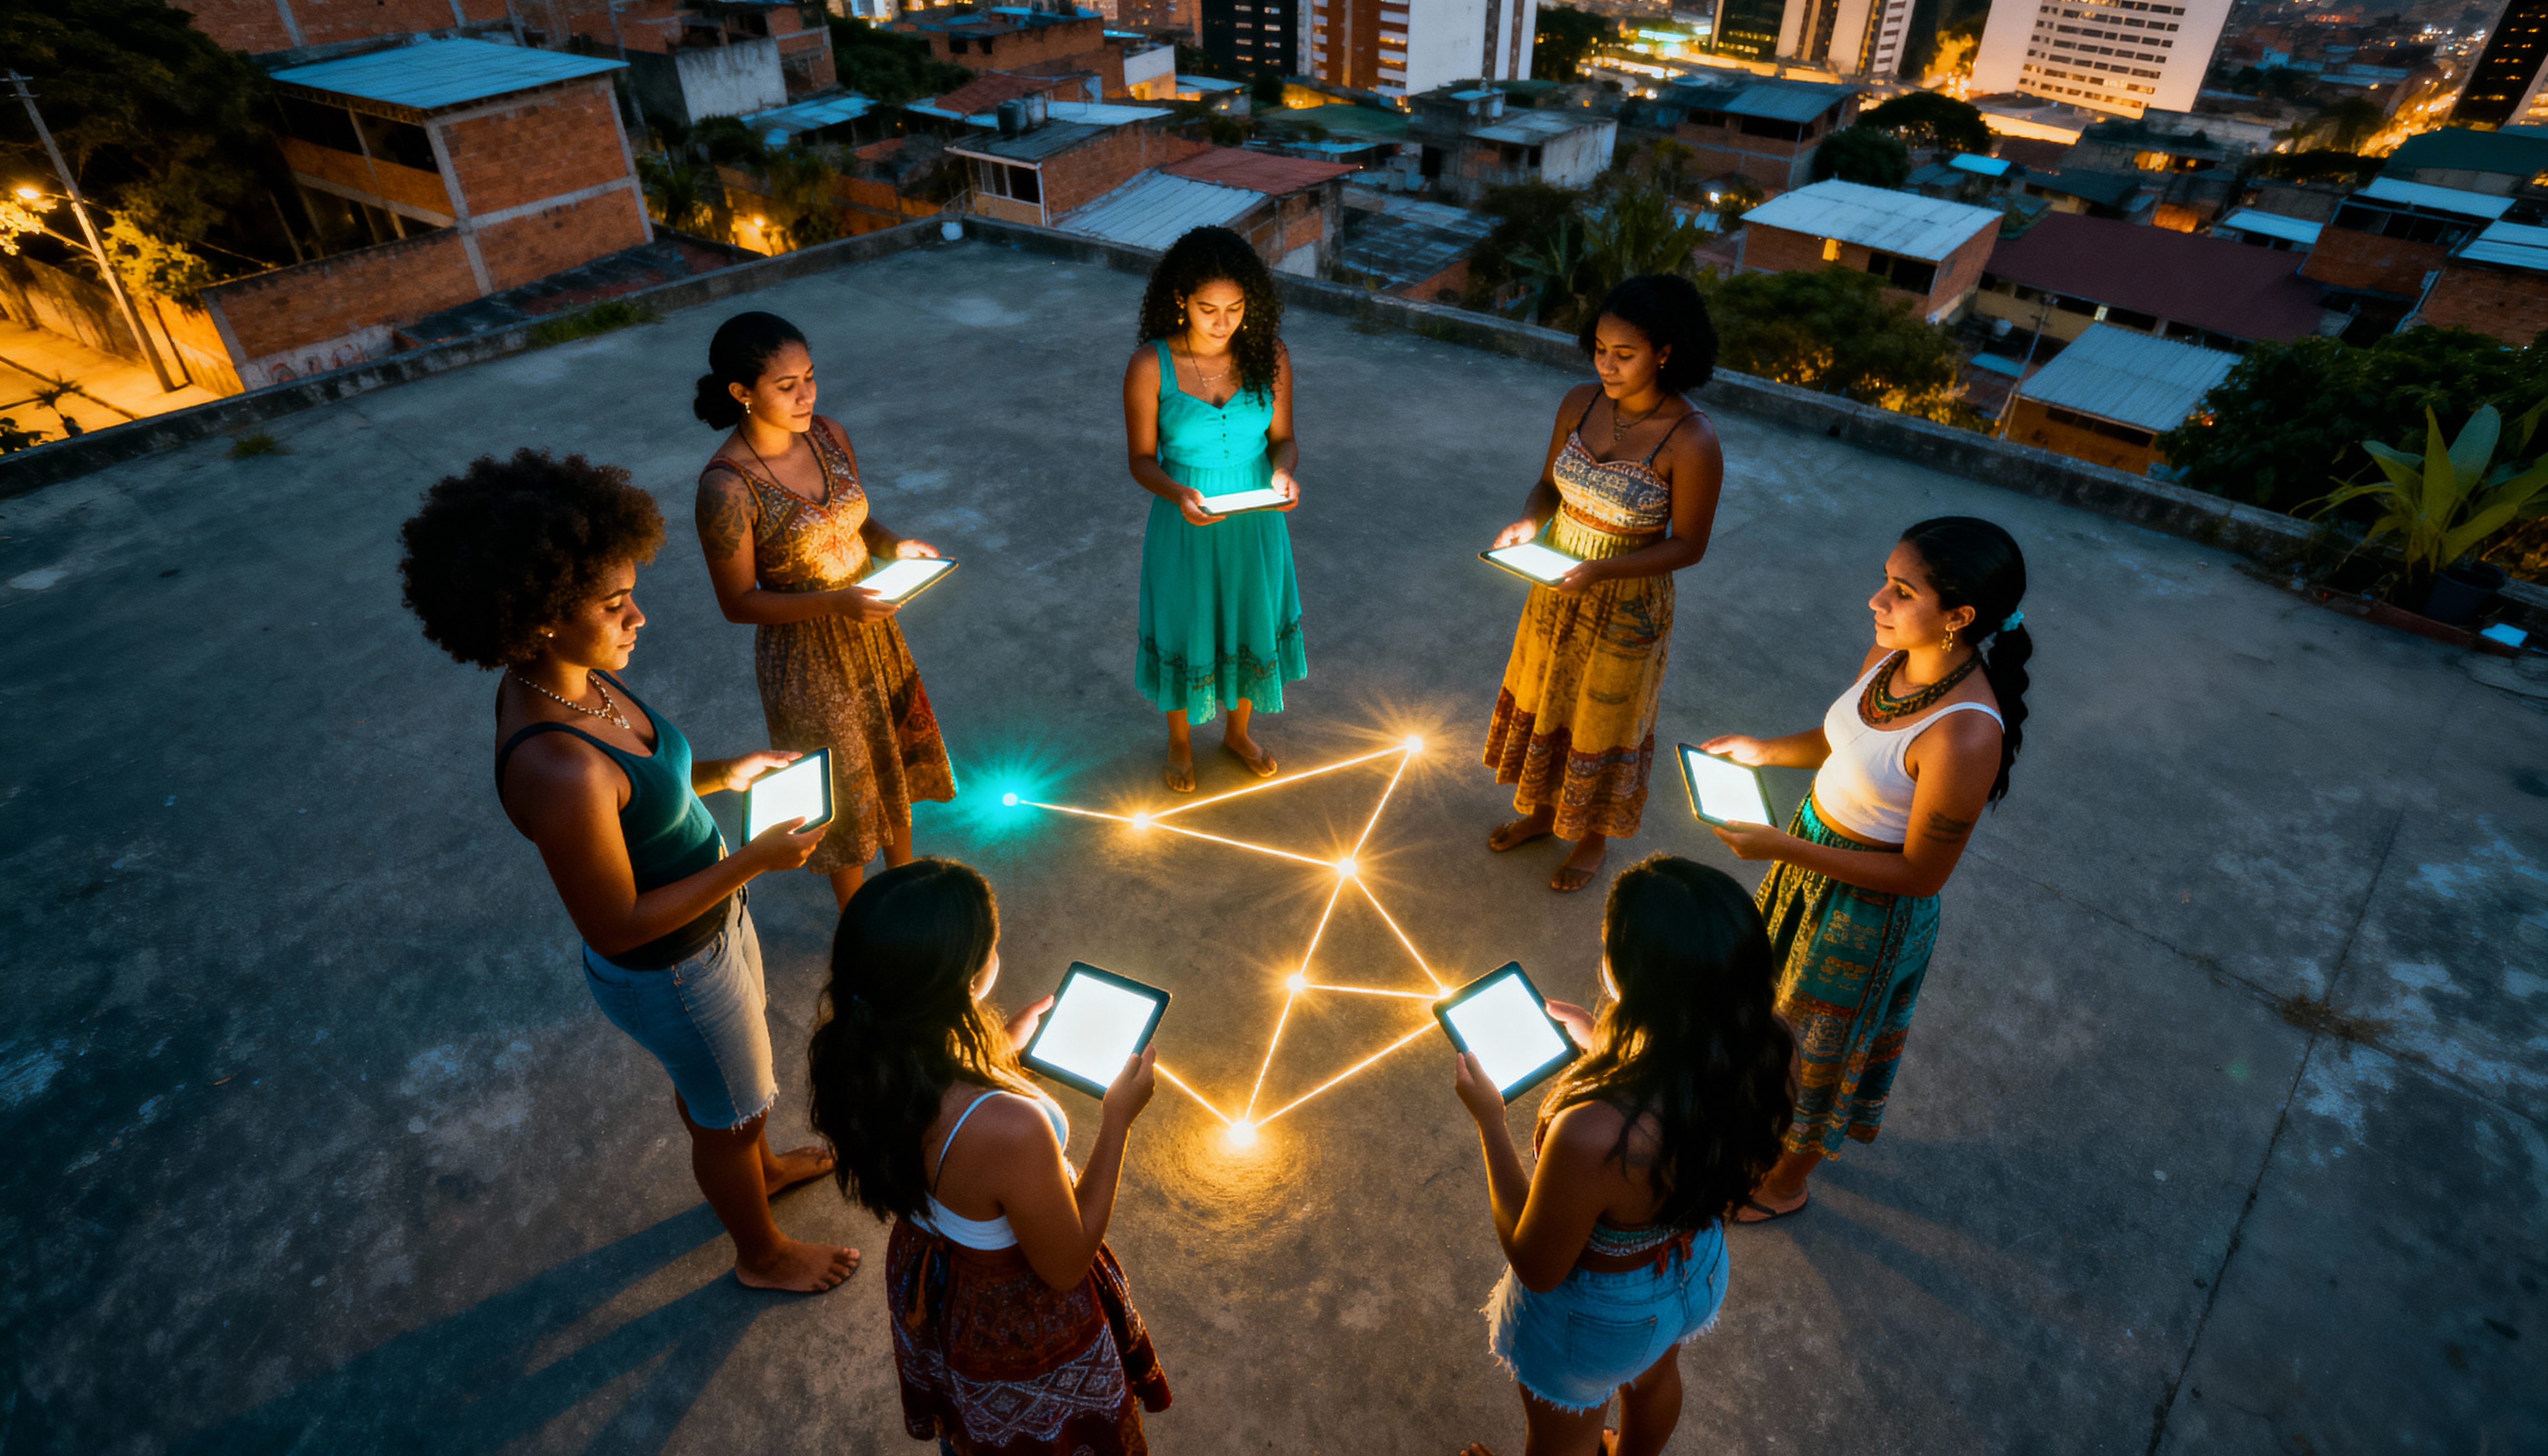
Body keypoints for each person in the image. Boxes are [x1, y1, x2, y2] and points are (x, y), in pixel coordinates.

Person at [397, 449, 859, 1293]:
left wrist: (728, 771)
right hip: (675, 967)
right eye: (614, 604)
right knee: (726, 1114)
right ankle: (760, 1252)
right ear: (538, 615)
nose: (639, 616)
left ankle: (761, 1163)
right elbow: (614, 924)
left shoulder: (578, 678)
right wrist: (754, 859)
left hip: (712, 925)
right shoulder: (558, 767)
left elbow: (647, 785)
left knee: (730, 1094)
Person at [1699, 516, 2031, 1222]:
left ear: (1959, 617)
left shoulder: (1966, 733)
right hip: (1805, 860)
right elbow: (1839, 741)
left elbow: (1920, 874)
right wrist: (1762, 751)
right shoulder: (1892, 658)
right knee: (1766, 1011)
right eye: (1886, 579)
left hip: (1866, 915)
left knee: (1818, 1056)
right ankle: (1753, 1126)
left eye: (1901, 590)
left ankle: (1785, 1184)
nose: (1876, 601)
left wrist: (1785, 849)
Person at [807, 859, 1172, 1456]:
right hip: (1016, 1321)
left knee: (980, 1430)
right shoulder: (1010, 1129)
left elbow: (937, 1107)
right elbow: (1065, 1263)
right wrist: (1117, 1121)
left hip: (940, 1280)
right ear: (970, 977)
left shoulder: (859, 1051)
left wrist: (1003, 1045)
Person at [1454, 855, 1795, 1456]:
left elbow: (1538, 1265)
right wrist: (1606, 1047)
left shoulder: (1593, 1134)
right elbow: (1690, 1098)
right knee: (1655, 1378)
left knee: (1566, 1434)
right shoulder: (1772, 1045)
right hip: (1697, 1270)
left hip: (1600, 1318)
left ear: (1627, 973)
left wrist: (1490, 1120)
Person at [693, 310, 956, 909]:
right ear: (742, 393)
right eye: (786, 387)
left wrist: (894, 546)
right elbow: (738, 603)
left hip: (875, 634)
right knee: (843, 789)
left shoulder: (830, 435)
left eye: (810, 377)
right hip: (808, 662)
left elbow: (856, 520)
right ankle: (858, 917)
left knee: (891, 760)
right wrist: (837, 601)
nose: (806, 395)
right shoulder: (726, 488)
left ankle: (907, 891)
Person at [1484, 274, 1726, 892]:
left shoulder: (1692, 440)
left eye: (1625, 355)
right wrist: (1529, 521)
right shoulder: (1579, 402)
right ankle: (1542, 812)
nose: (1607, 366)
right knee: (1547, 698)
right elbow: (1546, 485)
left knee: (1606, 719)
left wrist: (1601, 570)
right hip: (1556, 582)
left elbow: (1689, 546)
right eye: (1599, 350)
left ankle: (1591, 839)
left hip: (1625, 601)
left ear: (1665, 353)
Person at [1121, 225, 1306, 793]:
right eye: (1208, 309)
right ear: (1182, 301)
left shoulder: (1270, 356)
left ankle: (1237, 732)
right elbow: (1141, 459)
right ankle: (1179, 742)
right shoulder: (1151, 366)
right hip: (1185, 517)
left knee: (1250, 615)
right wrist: (1178, 493)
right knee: (1184, 621)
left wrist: (1283, 472)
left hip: (1256, 518)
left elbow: (1286, 439)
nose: (1224, 322)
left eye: (1236, 308)